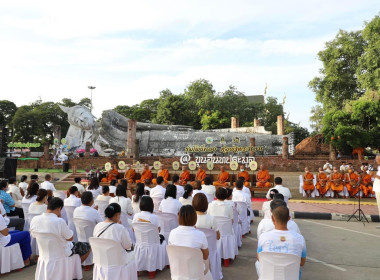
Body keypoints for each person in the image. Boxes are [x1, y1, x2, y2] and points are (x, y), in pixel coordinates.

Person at [30, 197, 91, 263]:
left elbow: (34, 235)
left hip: (43, 254)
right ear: (59, 209)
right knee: (87, 247)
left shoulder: (35, 219)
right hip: (61, 253)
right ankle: (74, 267)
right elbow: (70, 238)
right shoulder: (59, 221)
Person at [257, 205, 306, 275]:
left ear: (272, 218)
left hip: (269, 276)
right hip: (291, 277)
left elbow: (259, 258)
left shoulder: (263, 237)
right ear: (289, 219)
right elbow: (302, 262)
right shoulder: (300, 239)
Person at [372, 154, 380, 229]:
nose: (376, 161)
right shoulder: (379, 167)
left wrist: (374, 175)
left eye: (377, 159)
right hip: (377, 188)